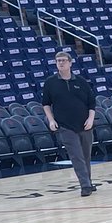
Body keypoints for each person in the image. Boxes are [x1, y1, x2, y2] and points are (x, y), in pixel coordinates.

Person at [41, 49, 97, 197]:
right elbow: (46, 104)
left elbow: (92, 103)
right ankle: (85, 185)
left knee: (86, 156)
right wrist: (51, 120)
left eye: (63, 61)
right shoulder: (50, 83)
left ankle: (88, 182)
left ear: (70, 63)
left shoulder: (81, 81)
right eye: (58, 61)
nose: (60, 63)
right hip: (65, 126)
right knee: (76, 156)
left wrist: (91, 119)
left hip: (85, 125)